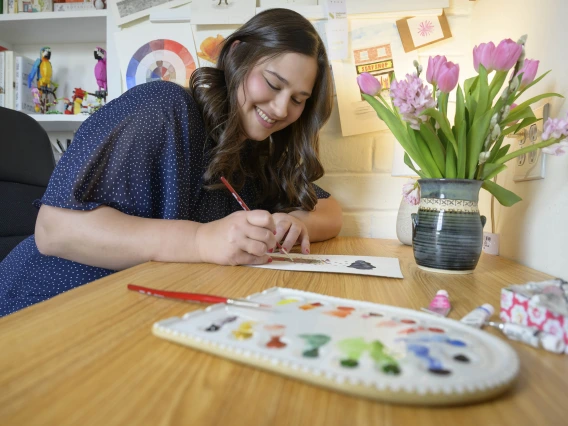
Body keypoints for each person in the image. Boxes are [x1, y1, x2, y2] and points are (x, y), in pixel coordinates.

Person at [0, 8, 343, 316]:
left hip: (130, 315)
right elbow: (53, 230)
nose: (283, 109)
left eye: (298, 100)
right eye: (272, 83)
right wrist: (201, 240)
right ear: (238, 53)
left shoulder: (253, 153)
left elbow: (330, 210)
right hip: (41, 311)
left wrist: (295, 224)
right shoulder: (163, 107)